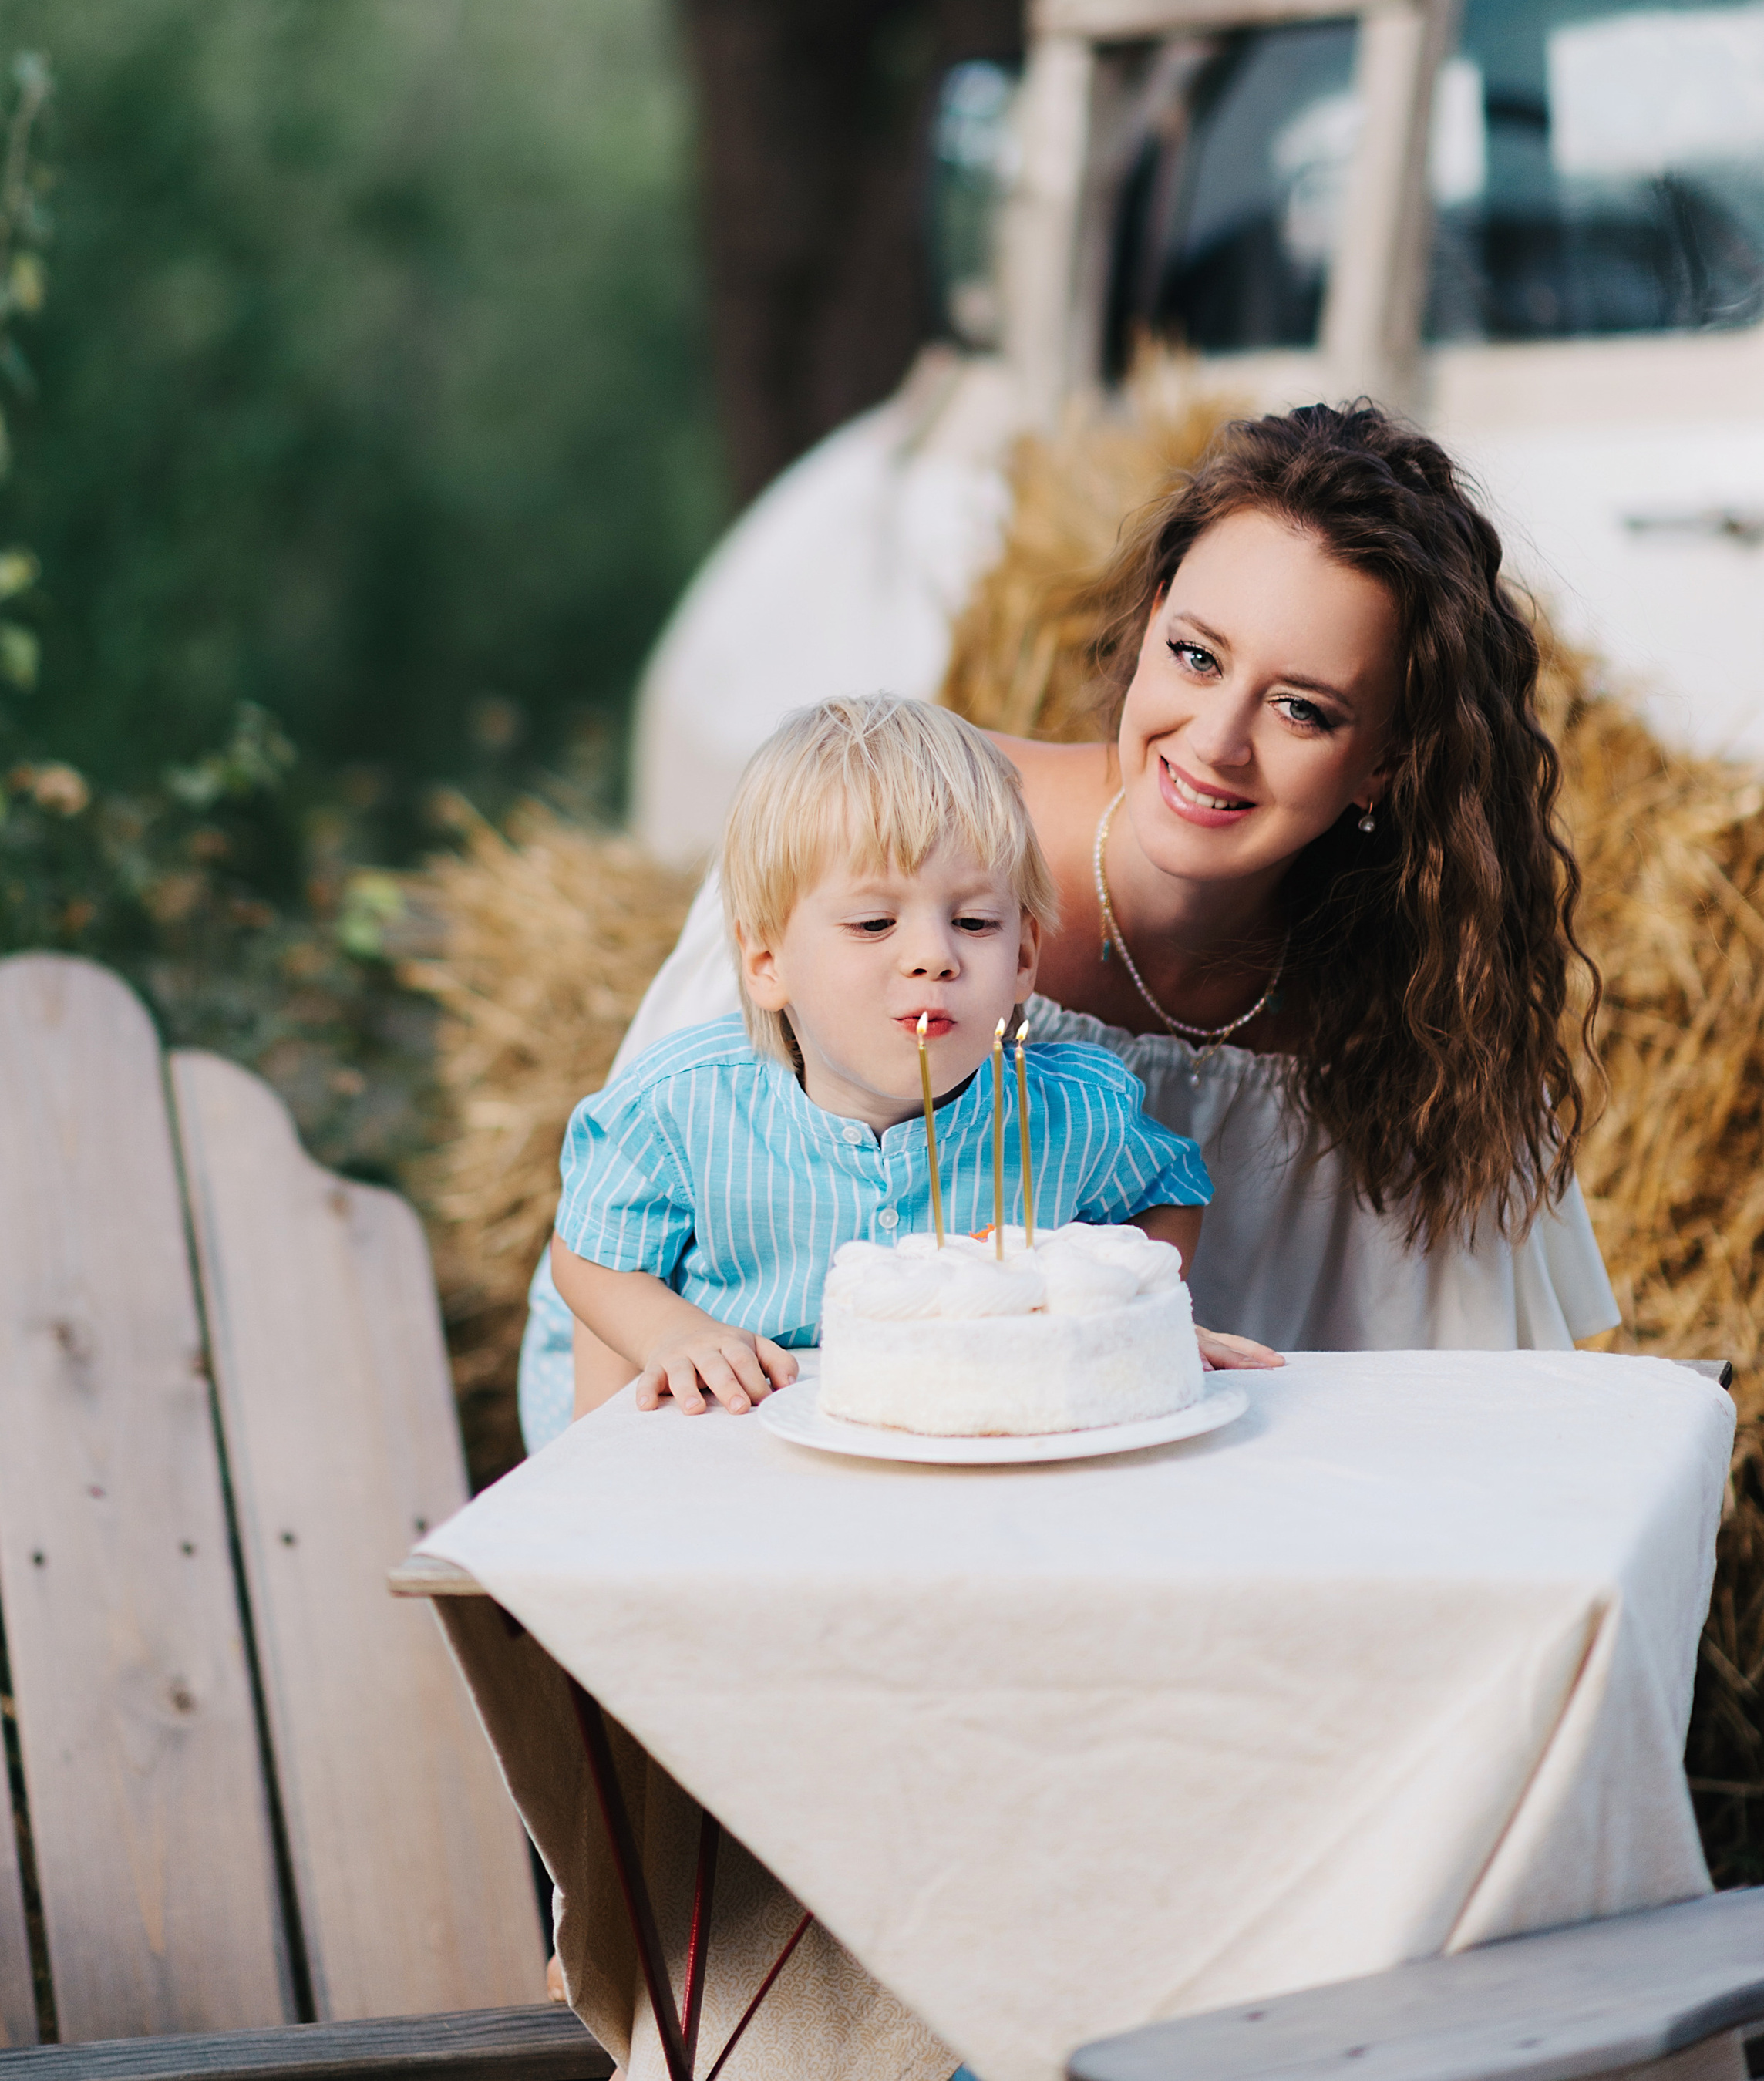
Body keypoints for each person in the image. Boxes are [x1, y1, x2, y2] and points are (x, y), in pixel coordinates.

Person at [520, 401, 1616, 1448]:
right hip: (723, 1417)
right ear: (1145, 637)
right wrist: (609, 1520)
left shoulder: (1421, 989)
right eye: (1196, 654)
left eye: (1303, 708)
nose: (1217, 740)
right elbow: (634, 1237)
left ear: (1383, 760)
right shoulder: (895, 831)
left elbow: (1464, 1385)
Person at [532, 692, 1217, 1430]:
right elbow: (592, 1252)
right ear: (766, 961)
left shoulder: (1071, 1111)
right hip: (733, 1447)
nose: (933, 956)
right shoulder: (684, 1107)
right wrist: (669, 1332)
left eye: (974, 922)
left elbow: (1169, 1188)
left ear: (1023, 958)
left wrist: (1122, 1305)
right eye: (873, 922)